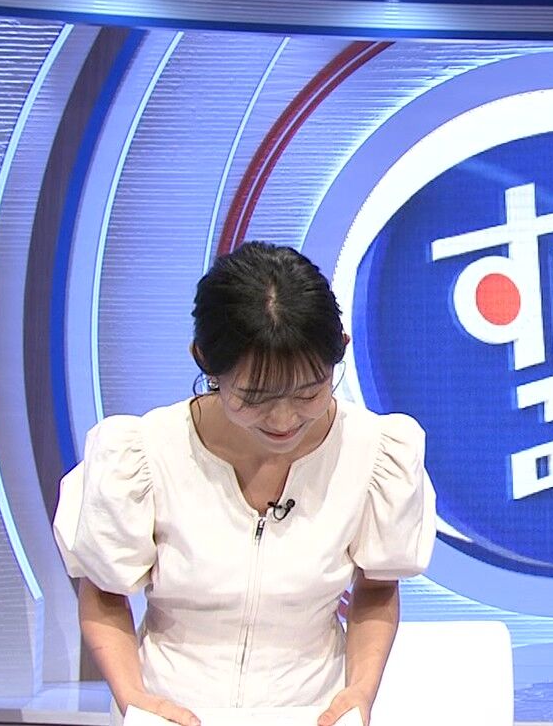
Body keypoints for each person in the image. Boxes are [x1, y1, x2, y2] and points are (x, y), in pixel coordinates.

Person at [53, 241, 436, 726]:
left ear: (339, 348)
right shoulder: (141, 454)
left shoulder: (375, 453)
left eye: (309, 392)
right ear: (204, 361)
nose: (283, 420)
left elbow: (377, 588)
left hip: (310, 713)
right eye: (254, 397)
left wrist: (359, 692)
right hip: (168, 711)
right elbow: (104, 590)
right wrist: (133, 697)